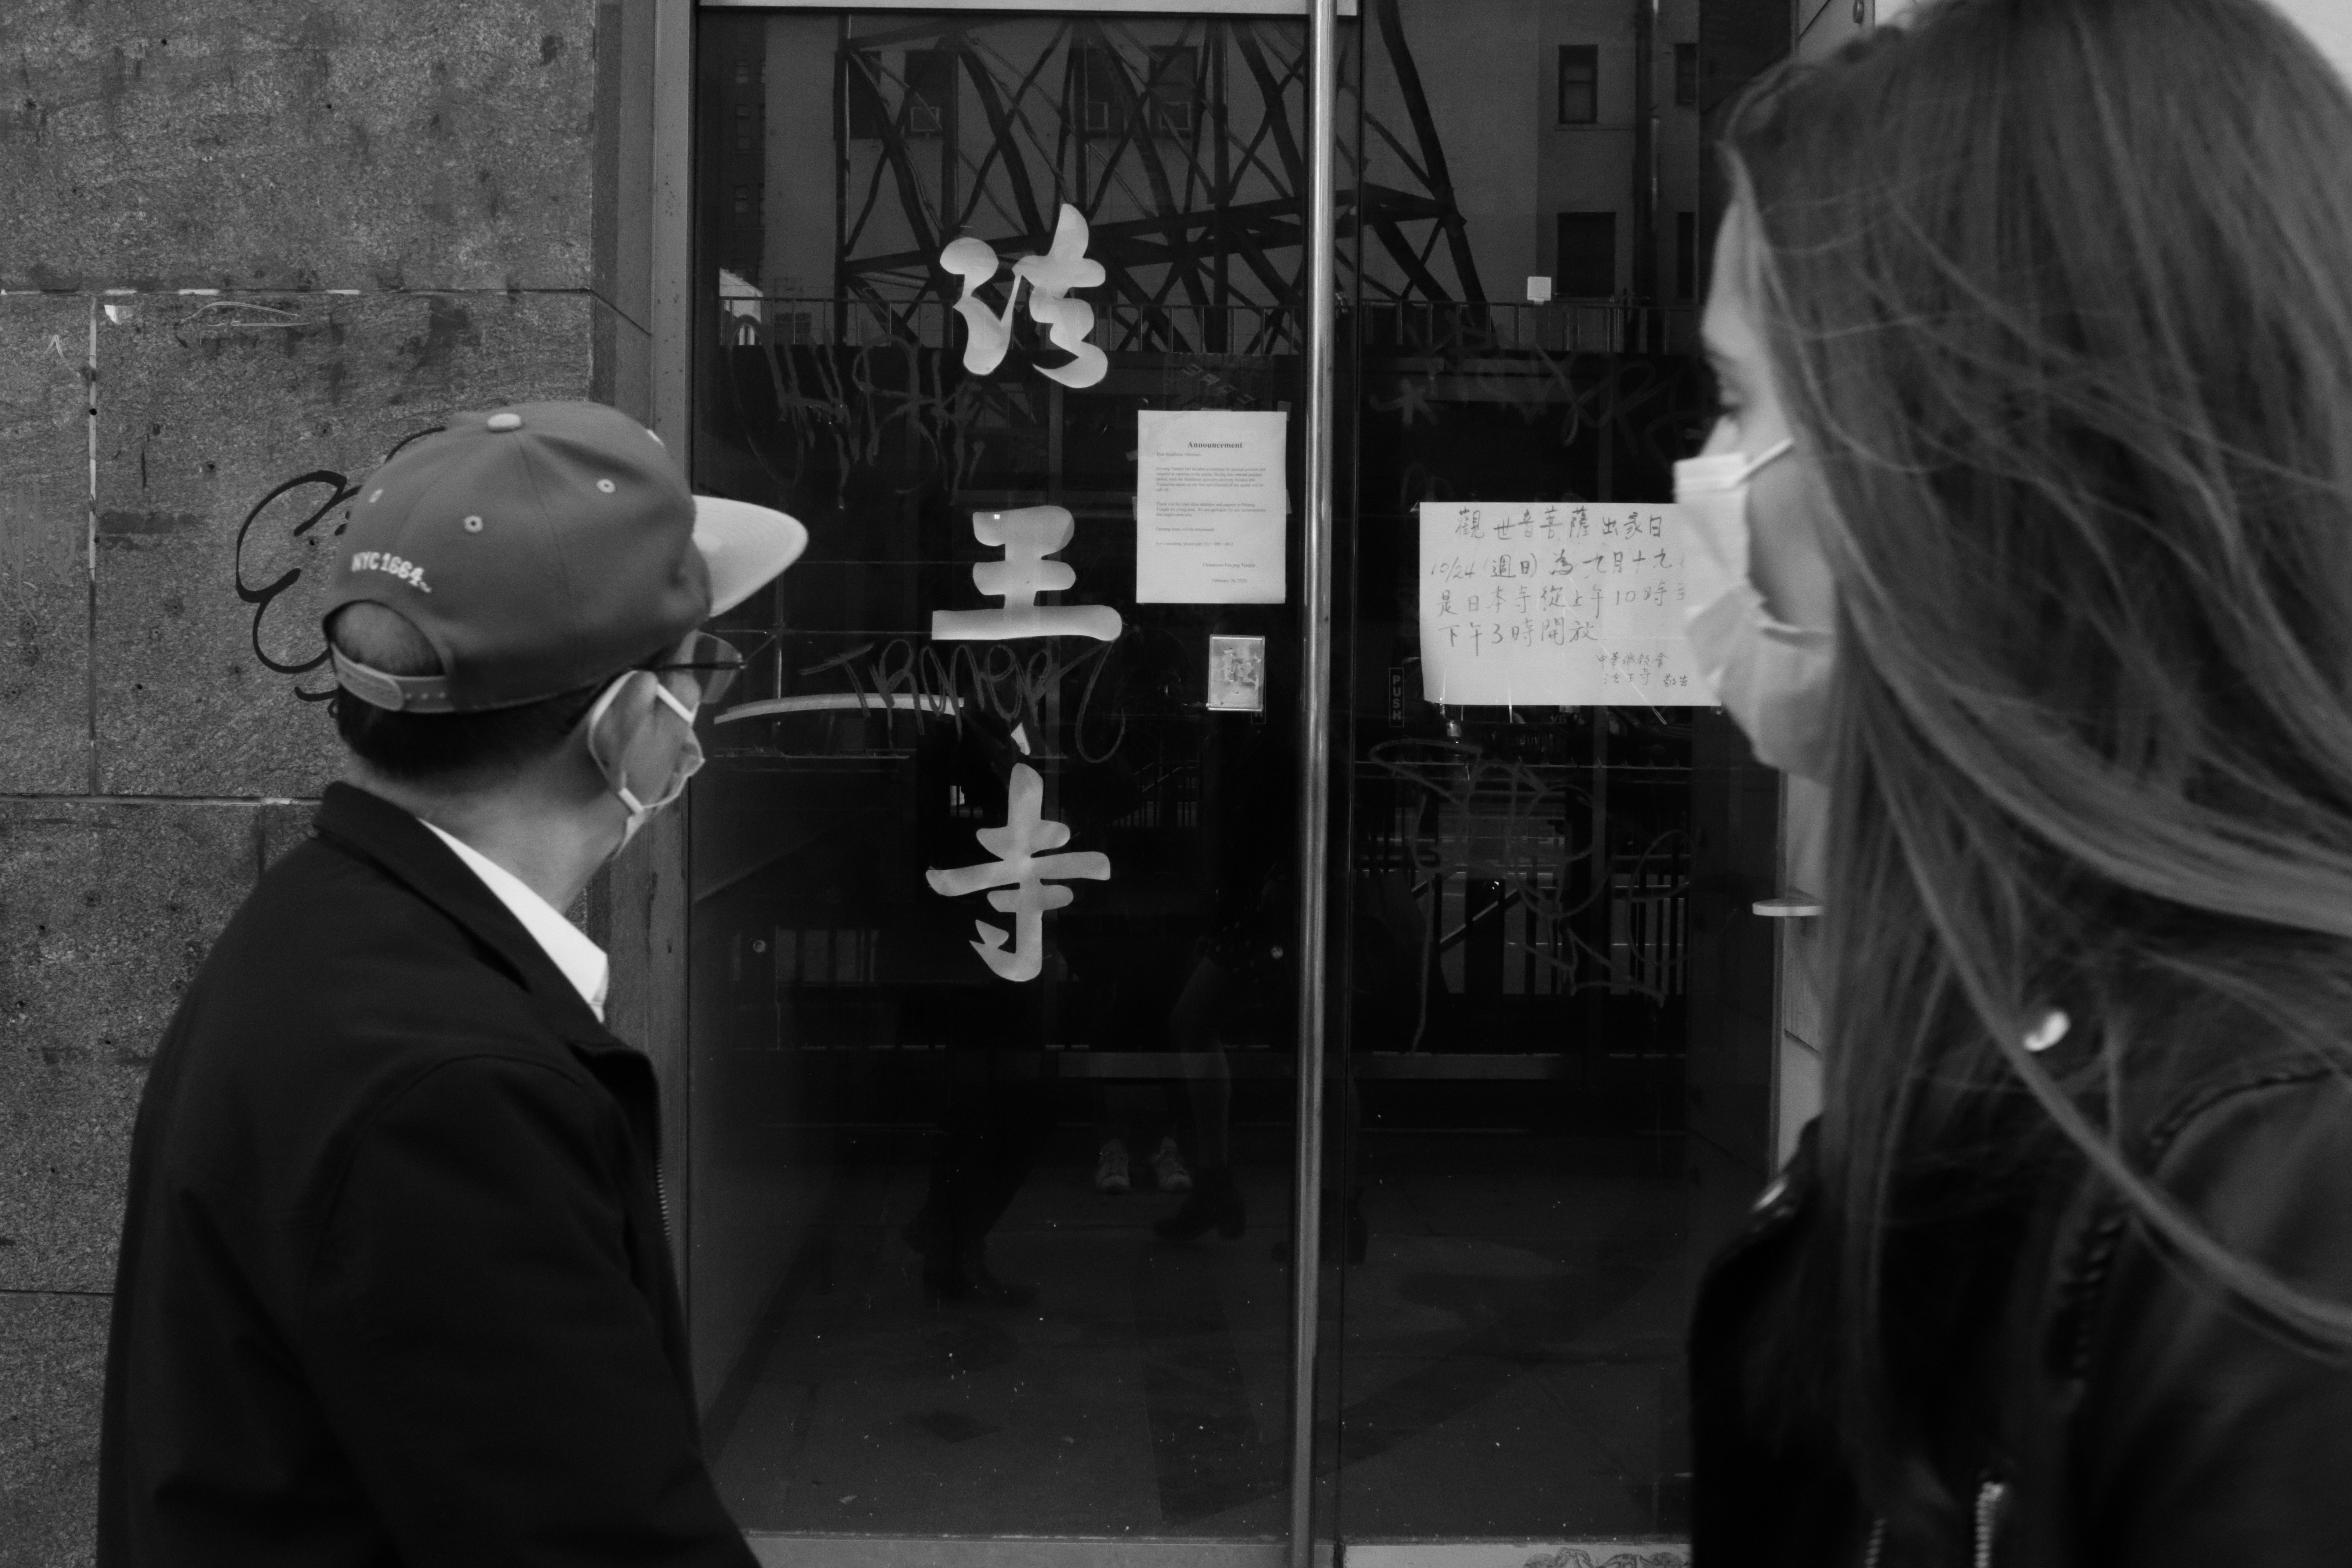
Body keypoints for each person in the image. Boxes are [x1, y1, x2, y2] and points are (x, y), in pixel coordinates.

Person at [1677, 1, 2352, 1563]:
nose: (1706, 486)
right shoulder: (2023, 1041)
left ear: (1962, 461)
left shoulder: (2278, 1184)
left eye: (1738, 403)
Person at [96, 401, 806, 1565]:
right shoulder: (454, 1094)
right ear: (632, 723)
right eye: (702, 673)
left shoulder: (322, 925)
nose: (700, 717)